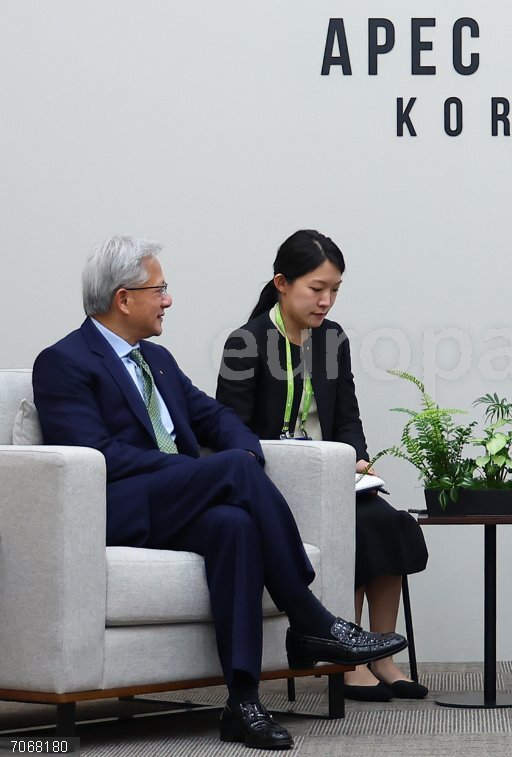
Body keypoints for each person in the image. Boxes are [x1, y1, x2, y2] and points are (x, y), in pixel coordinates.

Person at [32, 236, 408, 751]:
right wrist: (198, 471)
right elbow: (97, 454)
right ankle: (309, 615)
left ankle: (244, 704)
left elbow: (216, 417)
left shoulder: (157, 360)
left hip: (176, 505)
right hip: (118, 507)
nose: (168, 300)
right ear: (123, 299)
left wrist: (245, 455)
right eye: (159, 290)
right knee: (229, 471)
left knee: (234, 523)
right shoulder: (64, 362)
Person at [216, 229, 429, 702]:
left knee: (387, 522)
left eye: (334, 290)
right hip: (275, 484)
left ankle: (381, 657)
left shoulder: (332, 340)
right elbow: (231, 432)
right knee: (355, 527)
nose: (326, 301)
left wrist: (358, 459)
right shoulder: (246, 343)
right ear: (282, 283)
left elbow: (347, 416)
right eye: (317, 289)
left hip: (334, 477)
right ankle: (347, 661)